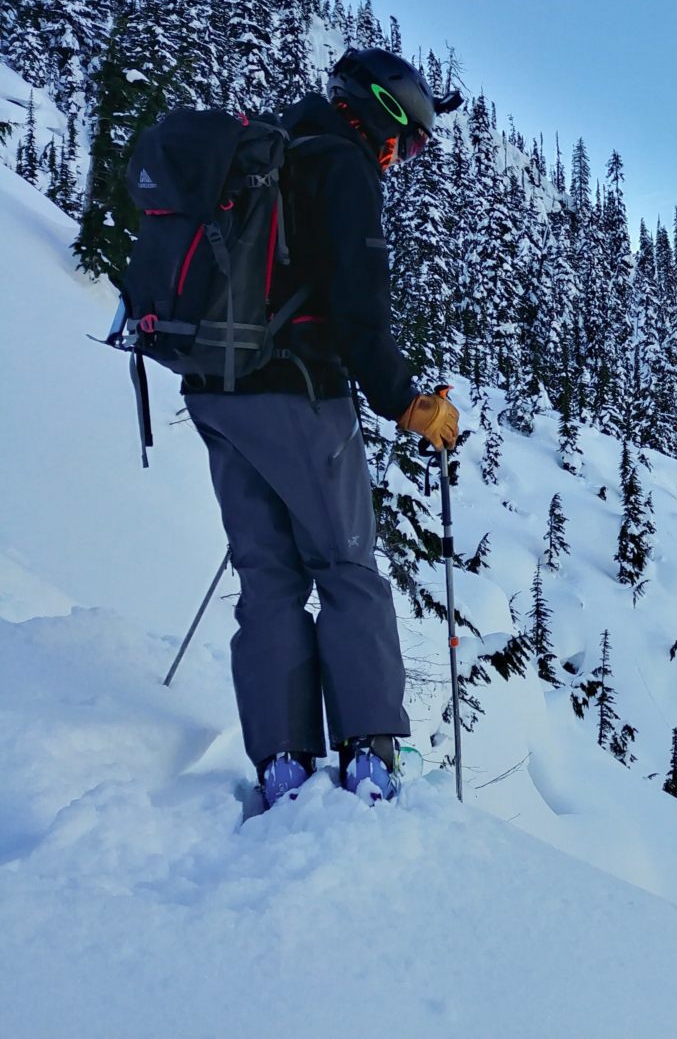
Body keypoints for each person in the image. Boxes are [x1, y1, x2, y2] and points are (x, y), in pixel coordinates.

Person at [183, 48, 461, 808]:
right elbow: (360, 311)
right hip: (298, 395)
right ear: (379, 115)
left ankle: (282, 764)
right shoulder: (344, 168)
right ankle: (369, 760)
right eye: (408, 141)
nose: (405, 157)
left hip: (215, 389)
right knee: (347, 572)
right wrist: (410, 403)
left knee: (267, 575)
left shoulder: (270, 148)